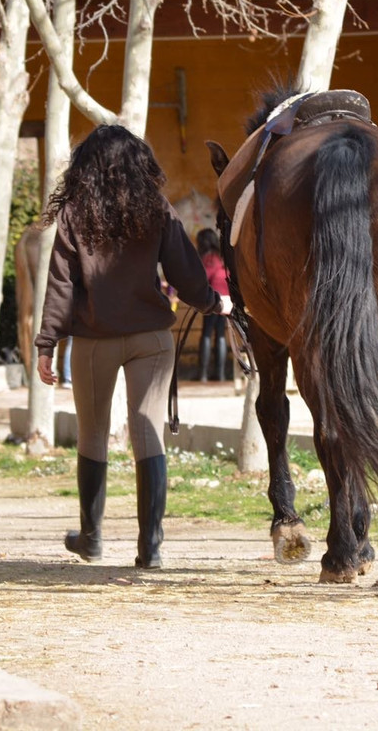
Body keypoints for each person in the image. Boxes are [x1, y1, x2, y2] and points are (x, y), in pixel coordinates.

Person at [34, 124, 231, 570]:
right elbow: (185, 270)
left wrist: (47, 344)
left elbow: (61, 286)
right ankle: (152, 548)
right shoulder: (155, 208)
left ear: (86, 168)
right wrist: (213, 302)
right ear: (138, 163)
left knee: (93, 436)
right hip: (151, 339)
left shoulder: (74, 215)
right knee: (148, 435)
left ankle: (91, 538)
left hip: (92, 340)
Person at [196, 228, 230, 382]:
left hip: (213, 299)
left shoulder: (208, 258)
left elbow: (204, 278)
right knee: (221, 335)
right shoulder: (221, 257)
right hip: (226, 299)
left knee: (207, 334)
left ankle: (203, 374)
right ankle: (221, 374)